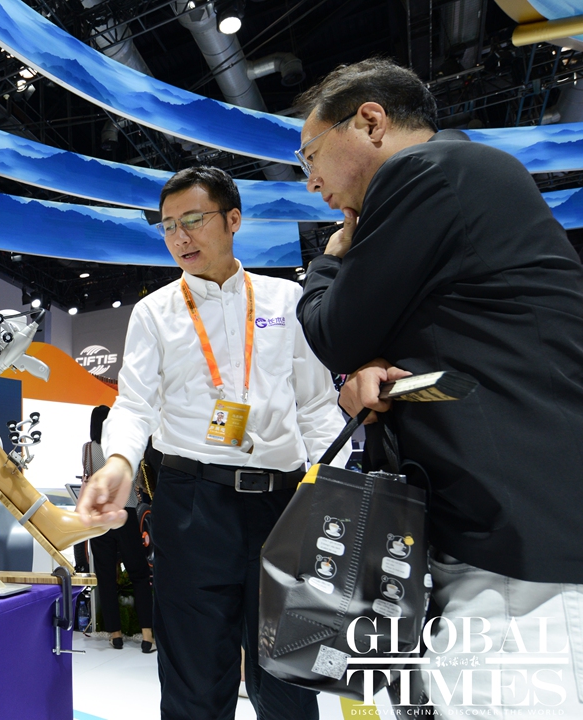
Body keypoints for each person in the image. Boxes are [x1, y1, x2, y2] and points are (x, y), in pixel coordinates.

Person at [293, 58, 583, 714]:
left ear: (370, 122)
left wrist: (328, 264)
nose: (311, 182)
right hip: (498, 538)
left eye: (310, 156)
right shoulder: (467, 180)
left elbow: (336, 332)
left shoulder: (425, 173)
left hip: (515, 553)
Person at [75, 166, 349, 720]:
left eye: (194, 220)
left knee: (289, 681)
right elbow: (134, 403)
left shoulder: (285, 299)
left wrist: (334, 484)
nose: (179, 236)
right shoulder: (154, 312)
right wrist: (119, 461)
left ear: (233, 220)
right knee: (194, 681)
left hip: (284, 504)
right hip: (192, 506)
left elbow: (317, 406)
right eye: (168, 225)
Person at [83, 405, 154, 653]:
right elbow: (137, 481)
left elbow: (88, 475)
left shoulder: (87, 449)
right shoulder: (125, 450)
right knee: (139, 574)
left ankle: (115, 635)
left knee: (105, 577)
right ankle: (147, 636)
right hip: (126, 514)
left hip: (99, 519)